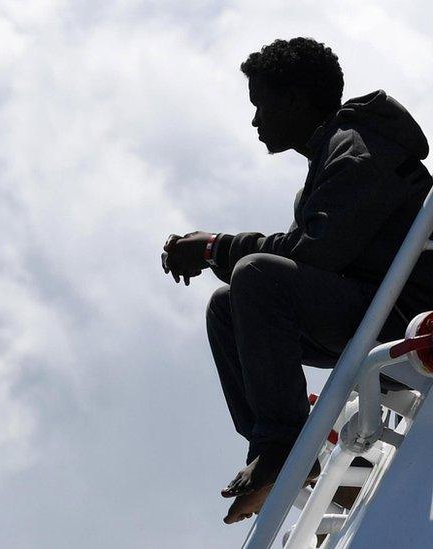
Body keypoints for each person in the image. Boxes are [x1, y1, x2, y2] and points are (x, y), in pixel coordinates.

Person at [162, 37, 433, 524]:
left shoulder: (358, 147)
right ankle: (274, 448)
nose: (255, 120)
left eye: (261, 104)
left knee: (256, 277)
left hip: (407, 311)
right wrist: (218, 251)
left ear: (293, 99)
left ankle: (284, 447)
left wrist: (213, 248)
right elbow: (310, 257)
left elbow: (314, 254)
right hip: (373, 307)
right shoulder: (333, 155)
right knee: (227, 305)